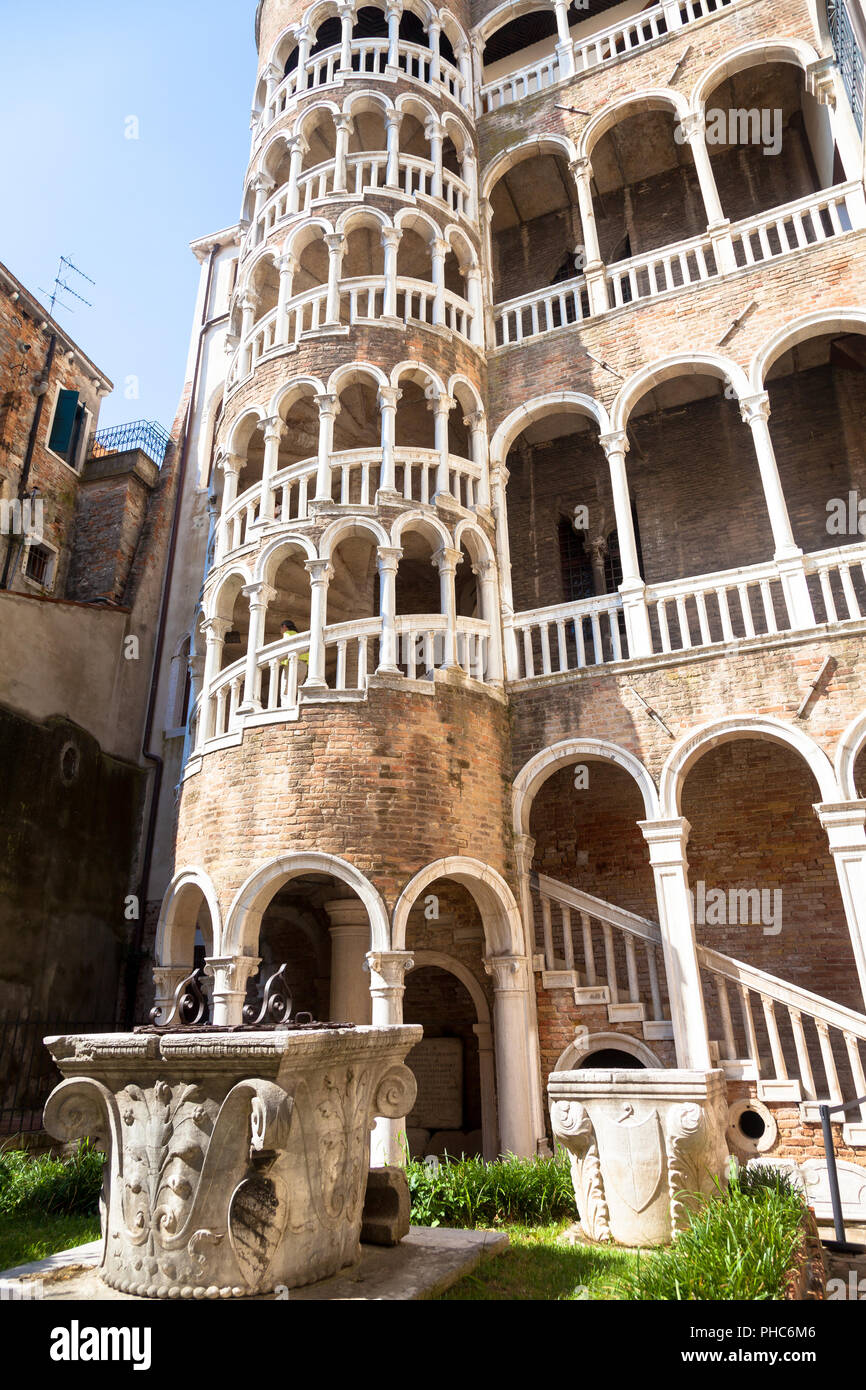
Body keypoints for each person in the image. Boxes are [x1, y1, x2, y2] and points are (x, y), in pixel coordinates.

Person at [279, 618, 309, 697]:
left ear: (284, 627)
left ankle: (285, 708)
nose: (280, 631)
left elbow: (285, 649)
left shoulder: (288, 634)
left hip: (293, 664)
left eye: (281, 628)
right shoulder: (300, 637)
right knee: (295, 690)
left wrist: (281, 661)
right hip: (303, 666)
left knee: (285, 690)